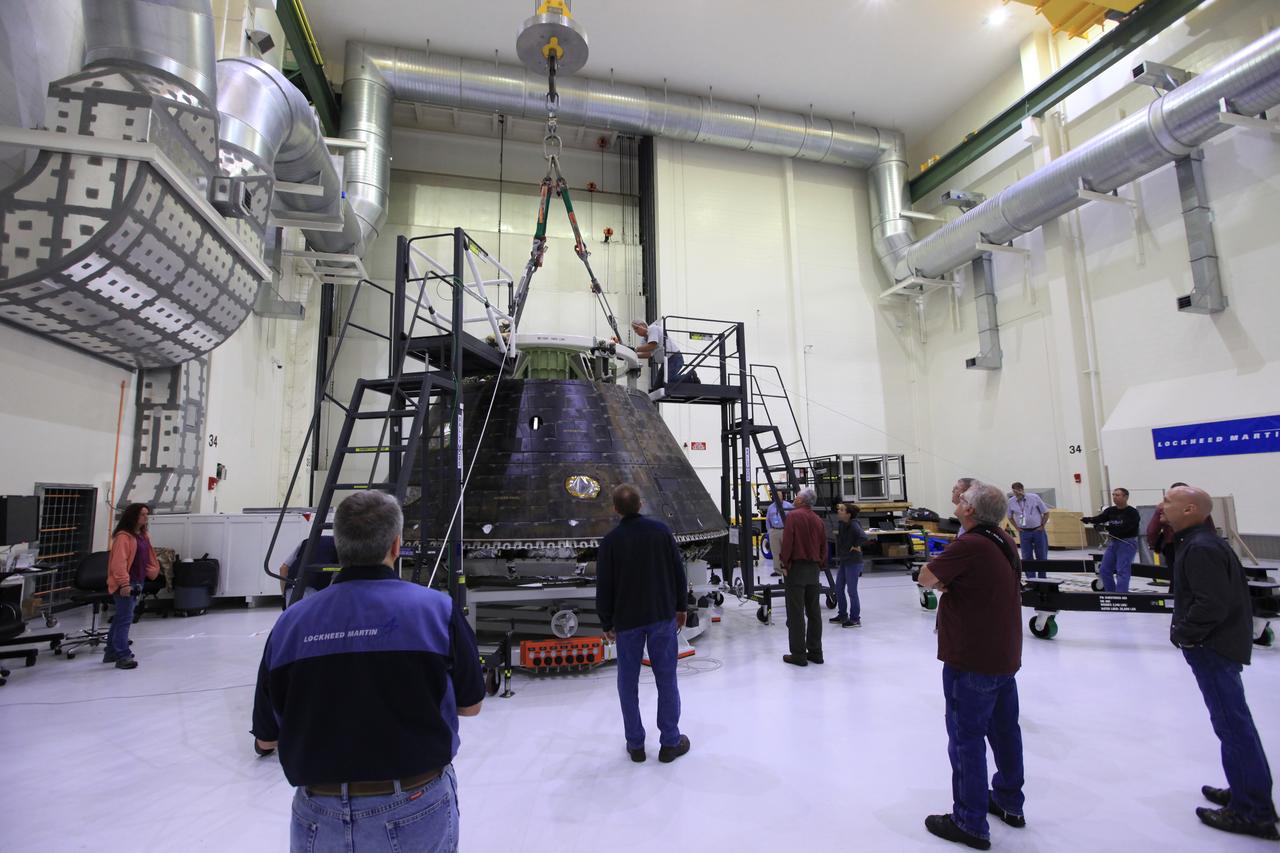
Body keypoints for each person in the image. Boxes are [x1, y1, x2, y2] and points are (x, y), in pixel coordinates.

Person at [251, 491, 484, 853]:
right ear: (396, 545)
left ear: (338, 546)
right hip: (414, 804)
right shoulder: (437, 610)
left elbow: (267, 738)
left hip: (317, 813)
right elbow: (470, 706)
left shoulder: (290, 624)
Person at [1162, 485, 1278, 841]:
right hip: (1217, 645)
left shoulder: (1200, 548)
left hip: (1213, 648)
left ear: (1191, 509)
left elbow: (1211, 604)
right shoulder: (1200, 542)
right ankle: (1246, 790)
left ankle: (1253, 813)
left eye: (1169, 501)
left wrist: (1184, 633)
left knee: (1233, 726)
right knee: (1234, 725)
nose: (1162, 506)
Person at [918, 481, 1025, 850]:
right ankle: (1010, 801)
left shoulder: (970, 544)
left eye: (961, 499)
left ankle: (969, 822)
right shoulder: (1003, 540)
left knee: (966, 739)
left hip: (972, 658)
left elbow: (926, 577)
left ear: (970, 511)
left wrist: (945, 584)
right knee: (1005, 732)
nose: (956, 501)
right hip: (1003, 655)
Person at [596, 484, 691, 763]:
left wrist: (606, 621)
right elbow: (678, 571)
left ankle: (635, 745)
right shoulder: (661, 532)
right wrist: (681, 606)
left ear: (615, 509)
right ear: (641, 504)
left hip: (627, 622)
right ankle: (670, 743)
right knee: (666, 679)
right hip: (661, 617)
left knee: (627, 683)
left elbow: (605, 587)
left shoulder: (610, 542)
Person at [104, 503, 161, 670]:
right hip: (127, 583)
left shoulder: (143, 536)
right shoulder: (123, 537)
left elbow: (148, 557)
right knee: (125, 619)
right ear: (133, 516)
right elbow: (118, 563)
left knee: (121, 617)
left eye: (146, 514)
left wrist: (152, 570)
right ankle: (122, 655)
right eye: (142, 514)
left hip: (138, 580)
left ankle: (111, 651)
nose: (145, 517)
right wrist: (124, 583)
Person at [779, 486, 827, 666]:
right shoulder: (817, 520)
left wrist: (784, 563)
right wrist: (820, 563)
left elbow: (788, 543)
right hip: (814, 569)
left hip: (796, 569)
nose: (794, 499)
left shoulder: (793, 516)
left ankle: (798, 654)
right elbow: (824, 545)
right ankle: (816, 652)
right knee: (814, 612)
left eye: (796, 497)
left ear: (801, 500)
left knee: (796, 613)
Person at [1082, 488, 1141, 592]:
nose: (1114, 497)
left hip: (1127, 543)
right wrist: (1089, 520)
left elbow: (1126, 527)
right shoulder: (1111, 510)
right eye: (1113, 495)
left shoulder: (1132, 512)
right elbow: (1100, 518)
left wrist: (1106, 528)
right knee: (1104, 570)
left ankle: (1122, 595)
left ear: (1126, 497)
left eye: (1117, 495)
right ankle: (1110, 593)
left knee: (1122, 571)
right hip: (1113, 543)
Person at [829, 503, 867, 628]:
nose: (838, 511)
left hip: (854, 561)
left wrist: (854, 546)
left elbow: (863, 536)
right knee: (838, 588)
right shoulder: (842, 524)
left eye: (841, 510)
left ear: (848, 514)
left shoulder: (854, 524)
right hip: (845, 560)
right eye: (839, 509)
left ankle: (855, 619)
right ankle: (842, 615)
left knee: (851, 590)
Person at [1007, 482, 1050, 579]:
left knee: (1041, 555)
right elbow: (1009, 517)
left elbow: (1046, 513)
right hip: (1024, 532)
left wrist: (1042, 526)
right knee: (1027, 556)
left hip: (1037, 531)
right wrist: (1017, 528)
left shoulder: (1034, 498)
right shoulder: (1011, 501)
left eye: (1018, 491)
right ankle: (1031, 579)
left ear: (1022, 490)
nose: (1017, 494)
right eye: (1015, 492)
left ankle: (1042, 578)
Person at [277, 533, 340, 599]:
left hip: (291, 588)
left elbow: (283, 569)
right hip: (315, 590)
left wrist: (284, 595)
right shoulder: (342, 547)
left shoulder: (306, 542)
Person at [632, 318, 685, 387]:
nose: (636, 332)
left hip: (674, 358)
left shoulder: (652, 329)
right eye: (634, 330)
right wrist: (633, 354)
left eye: (636, 328)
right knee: (657, 386)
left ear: (642, 325)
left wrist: (634, 349)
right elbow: (649, 354)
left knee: (668, 380)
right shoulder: (644, 339)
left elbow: (652, 345)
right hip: (665, 362)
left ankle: (691, 377)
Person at [1146, 481, 1190, 567]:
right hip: (1193, 543)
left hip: (1172, 545)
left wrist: (1153, 544)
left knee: (1174, 573)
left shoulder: (1163, 507)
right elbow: (1209, 527)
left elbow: (1152, 530)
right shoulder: (1197, 506)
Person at [765, 491, 793, 577]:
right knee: (775, 552)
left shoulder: (788, 506)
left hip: (785, 530)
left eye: (779, 495)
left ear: (782, 496)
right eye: (776, 495)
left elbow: (793, 518)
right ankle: (777, 570)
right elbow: (768, 520)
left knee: (787, 551)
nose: (778, 497)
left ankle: (789, 569)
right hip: (774, 531)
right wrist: (770, 531)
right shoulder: (771, 507)